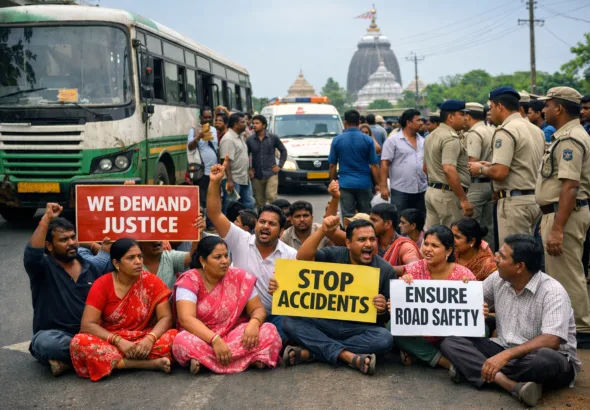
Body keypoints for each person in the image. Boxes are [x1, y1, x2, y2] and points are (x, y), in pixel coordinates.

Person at [440, 235, 580, 407]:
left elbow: (551, 340)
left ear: (520, 267)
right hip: (504, 347)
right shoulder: (497, 279)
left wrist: (504, 357)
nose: (495, 258)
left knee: (545, 360)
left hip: (541, 358)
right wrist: (470, 301)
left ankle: (472, 368)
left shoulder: (553, 291)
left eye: (503, 256)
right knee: (450, 342)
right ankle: (509, 384)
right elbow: (467, 303)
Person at [271, 218, 395, 375]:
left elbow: (387, 318)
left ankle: (313, 353)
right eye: (362, 240)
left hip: (358, 329)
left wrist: (381, 309)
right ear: (348, 243)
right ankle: (348, 356)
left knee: (385, 339)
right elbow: (302, 258)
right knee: (289, 322)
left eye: (372, 239)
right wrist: (323, 230)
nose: (368, 244)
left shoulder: (385, 270)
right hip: (325, 323)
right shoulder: (334, 254)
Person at [206, 155, 297, 340]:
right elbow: (215, 215)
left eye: (272, 224)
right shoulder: (240, 240)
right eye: (262, 221)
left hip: (275, 318)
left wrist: (284, 289)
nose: (265, 226)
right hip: (240, 316)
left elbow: (298, 297)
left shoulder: (291, 255)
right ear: (255, 224)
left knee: (290, 325)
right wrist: (215, 183)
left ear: (281, 231)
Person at [70, 239, 178, 381]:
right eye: (131, 258)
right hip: (111, 338)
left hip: (142, 338)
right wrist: (119, 341)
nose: (138, 262)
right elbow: (88, 324)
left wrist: (149, 339)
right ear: (116, 263)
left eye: (140, 256)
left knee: (174, 337)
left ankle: (113, 362)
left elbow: (166, 318)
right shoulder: (102, 284)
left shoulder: (152, 281)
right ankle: (145, 364)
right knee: (79, 342)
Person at [172, 236, 281, 374]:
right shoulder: (189, 279)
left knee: (269, 330)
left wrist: (254, 323)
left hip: (233, 334)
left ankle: (206, 362)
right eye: (218, 257)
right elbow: (186, 319)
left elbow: (258, 309)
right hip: (202, 337)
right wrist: (215, 340)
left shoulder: (238, 276)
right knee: (181, 341)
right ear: (203, 261)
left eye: (226, 256)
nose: (225, 261)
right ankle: (249, 359)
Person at [24, 204, 110, 376]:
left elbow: (113, 256)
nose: (71, 243)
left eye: (73, 237)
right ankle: (97, 356)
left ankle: (74, 362)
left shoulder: (91, 266)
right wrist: (46, 218)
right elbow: (32, 253)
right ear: (49, 246)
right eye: (64, 240)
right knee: (45, 344)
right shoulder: (42, 268)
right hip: (57, 336)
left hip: (91, 334)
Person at [536, 87, 590, 347]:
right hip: (558, 214)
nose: (543, 110)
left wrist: (557, 228)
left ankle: (581, 330)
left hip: (565, 215)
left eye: (547, 105)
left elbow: (570, 185)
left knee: (567, 274)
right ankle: (571, 327)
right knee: (562, 272)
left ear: (558, 107)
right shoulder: (564, 136)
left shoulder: (570, 138)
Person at [468, 87, 545, 245]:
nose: (491, 112)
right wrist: (491, 165)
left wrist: (480, 169)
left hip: (515, 204)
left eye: (491, 107)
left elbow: (500, 172)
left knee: (513, 257)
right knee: (527, 254)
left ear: (499, 107)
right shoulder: (535, 129)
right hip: (533, 199)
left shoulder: (506, 130)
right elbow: (522, 163)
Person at [393, 225, 477, 368]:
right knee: (393, 328)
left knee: (482, 330)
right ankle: (446, 362)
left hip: (449, 336)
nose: (428, 249)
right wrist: (402, 290)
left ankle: (420, 354)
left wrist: (471, 295)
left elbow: (472, 313)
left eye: (435, 246)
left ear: (448, 250)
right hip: (421, 334)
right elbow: (404, 311)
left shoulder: (464, 275)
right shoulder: (413, 269)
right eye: (426, 244)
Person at [423, 100, 473, 229]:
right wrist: (463, 200)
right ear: (450, 117)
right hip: (447, 195)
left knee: (432, 237)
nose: (466, 118)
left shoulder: (431, 136)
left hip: (432, 191)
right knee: (450, 238)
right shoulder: (450, 137)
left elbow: (425, 168)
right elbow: (449, 169)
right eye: (462, 114)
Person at [328, 109, 380, 217]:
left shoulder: (337, 140)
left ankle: (349, 233)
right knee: (365, 216)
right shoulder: (368, 140)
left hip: (345, 184)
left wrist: (332, 181)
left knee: (348, 216)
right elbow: (374, 165)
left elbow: (332, 165)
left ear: (345, 123)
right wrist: (378, 184)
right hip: (364, 183)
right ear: (359, 123)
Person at [380, 109, 427, 215]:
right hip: (400, 190)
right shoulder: (393, 140)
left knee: (420, 221)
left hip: (421, 189)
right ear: (409, 123)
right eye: (418, 120)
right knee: (400, 222)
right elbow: (384, 163)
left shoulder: (423, 141)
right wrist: (383, 186)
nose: (421, 123)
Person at [464, 102, 495, 250]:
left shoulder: (474, 133)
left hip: (477, 184)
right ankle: (489, 262)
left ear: (468, 116)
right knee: (487, 228)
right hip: (491, 183)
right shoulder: (491, 129)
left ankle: (472, 265)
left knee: (469, 228)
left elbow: (472, 164)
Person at [247, 115, 287, 207]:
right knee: (259, 201)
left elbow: (283, 151)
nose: (254, 125)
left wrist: (279, 165)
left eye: (257, 123)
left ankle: (275, 218)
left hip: (271, 173)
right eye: (253, 123)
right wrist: (249, 169)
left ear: (264, 125)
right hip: (257, 175)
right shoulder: (250, 140)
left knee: (272, 198)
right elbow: (245, 155)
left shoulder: (273, 138)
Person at [187, 107, 219, 218]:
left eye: (209, 118)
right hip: (202, 172)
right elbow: (190, 147)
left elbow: (216, 148)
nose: (207, 120)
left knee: (213, 198)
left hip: (214, 171)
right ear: (200, 117)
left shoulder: (214, 130)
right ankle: (202, 222)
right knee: (202, 199)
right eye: (205, 117)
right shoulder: (194, 129)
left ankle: (211, 221)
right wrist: (198, 136)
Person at [219, 112, 255, 210]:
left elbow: (243, 156)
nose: (246, 124)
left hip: (244, 178)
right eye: (243, 122)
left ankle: (249, 224)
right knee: (230, 206)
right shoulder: (228, 139)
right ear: (235, 124)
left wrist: (249, 170)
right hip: (233, 180)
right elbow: (226, 162)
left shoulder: (240, 137)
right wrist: (229, 180)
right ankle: (226, 225)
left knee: (249, 204)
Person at [370, 203, 420, 268]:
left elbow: (415, 267)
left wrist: (385, 271)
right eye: (370, 220)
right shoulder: (369, 242)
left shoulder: (404, 245)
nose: (370, 224)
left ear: (388, 224)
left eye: (374, 220)